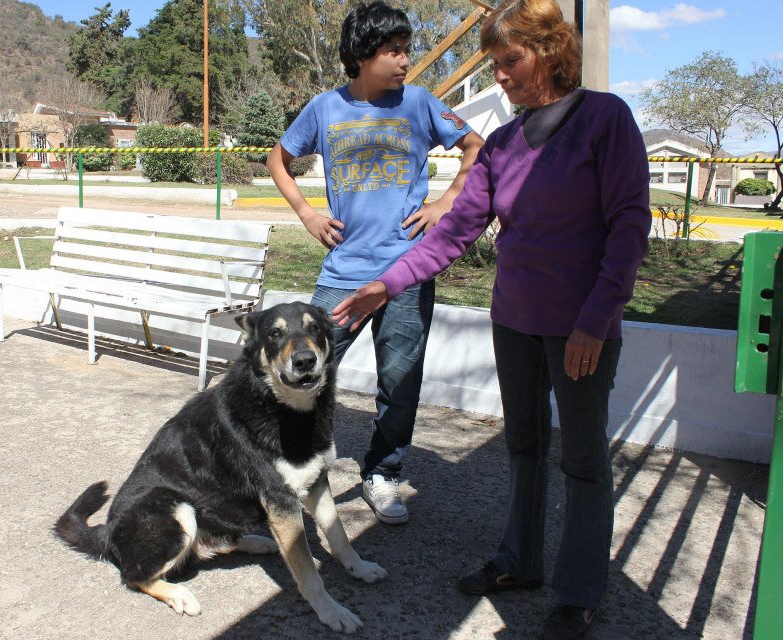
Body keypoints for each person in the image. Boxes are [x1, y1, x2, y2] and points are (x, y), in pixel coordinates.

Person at [331, 0, 650, 637]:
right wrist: (384, 286)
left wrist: (594, 320)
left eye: (511, 61)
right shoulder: (503, 143)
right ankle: (519, 561)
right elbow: (453, 235)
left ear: (551, 53)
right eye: (495, 63)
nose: (499, 76)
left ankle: (580, 590)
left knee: (584, 462)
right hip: (515, 323)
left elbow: (628, 228)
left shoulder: (602, 119)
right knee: (524, 447)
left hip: (580, 329)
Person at [266, 1, 484, 525]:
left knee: (400, 380)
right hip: (343, 274)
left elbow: (477, 147)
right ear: (363, 55)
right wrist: (307, 213)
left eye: (406, 49)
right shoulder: (323, 109)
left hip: (408, 273)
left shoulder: (420, 104)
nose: (406, 60)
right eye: (394, 50)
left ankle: (382, 473)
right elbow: (278, 158)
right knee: (302, 371)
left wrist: (444, 202)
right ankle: (292, 468)